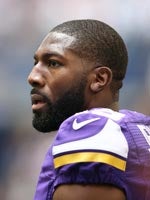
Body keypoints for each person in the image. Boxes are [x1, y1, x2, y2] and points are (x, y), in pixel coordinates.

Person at [28, 19, 150, 200]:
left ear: (99, 79)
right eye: (36, 62)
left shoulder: (93, 136)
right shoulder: (138, 129)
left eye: (53, 63)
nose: (33, 77)